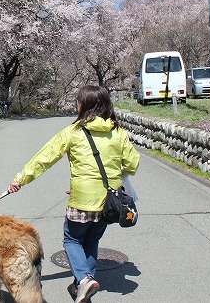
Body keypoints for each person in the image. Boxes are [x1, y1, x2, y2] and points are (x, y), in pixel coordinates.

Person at [8, 85, 140, 302]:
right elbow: (132, 165)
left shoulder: (74, 132)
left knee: (72, 239)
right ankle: (84, 285)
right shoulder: (118, 132)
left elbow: (45, 158)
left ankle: (84, 279)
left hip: (82, 200)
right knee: (92, 241)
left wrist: (20, 179)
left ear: (85, 106)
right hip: (108, 203)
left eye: (78, 101)